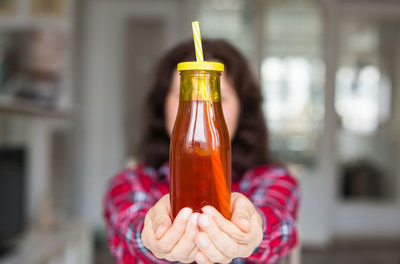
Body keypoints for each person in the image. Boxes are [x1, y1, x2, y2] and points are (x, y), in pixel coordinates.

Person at [103, 39, 299, 264]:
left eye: (219, 95)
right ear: (162, 106)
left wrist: (253, 228)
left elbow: (280, 224)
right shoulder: (130, 182)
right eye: (184, 92)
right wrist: (152, 235)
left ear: (243, 110)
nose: (201, 106)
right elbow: (127, 228)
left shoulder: (273, 179)